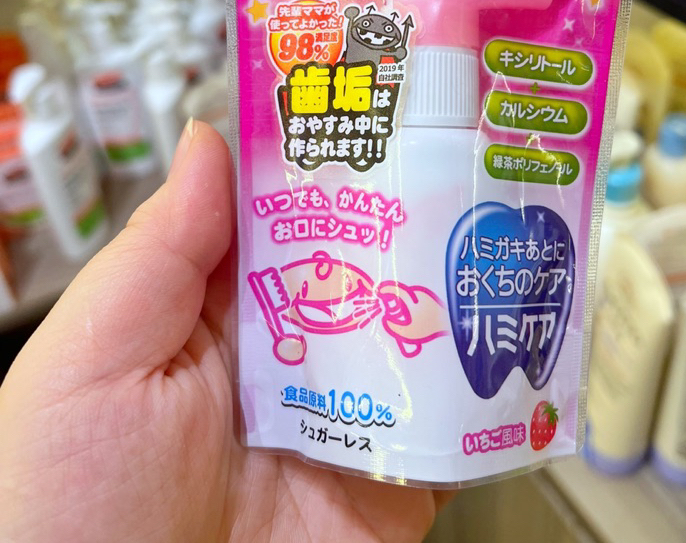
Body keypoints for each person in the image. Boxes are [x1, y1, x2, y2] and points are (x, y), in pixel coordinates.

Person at [0, 121, 449, 541]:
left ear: (405, 343)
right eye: (411, 297)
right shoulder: (355, 278)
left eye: (406, 315)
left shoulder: (368, 319)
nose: (400, 301)